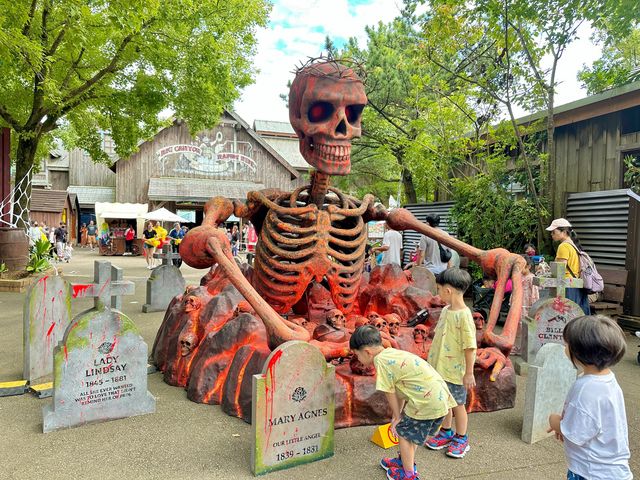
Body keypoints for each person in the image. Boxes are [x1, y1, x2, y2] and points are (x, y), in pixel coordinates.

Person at [350, 325, 456, 480]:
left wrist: (397, 416)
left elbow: (390, 392)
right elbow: (399, 390)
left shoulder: (380, 361)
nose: (357, 359)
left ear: (366, 352)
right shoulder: (391, 353)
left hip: (425, 403)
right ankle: (405, 462)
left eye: (356, 355)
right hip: (439, 399)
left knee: (404, 435)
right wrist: (396, 416)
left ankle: (408, 475)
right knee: (411, 433)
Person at [547, 315, 631, 480]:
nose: (566, 346)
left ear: (580, 352)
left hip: (591, 472)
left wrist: (555, 421)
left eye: (568, 344)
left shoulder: (585, 388)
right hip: (612, 470)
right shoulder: (608, 380)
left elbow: (576, 433)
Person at [425, 267, 476, 459]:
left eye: (438, 289)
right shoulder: (446, 310)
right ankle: (446, 432)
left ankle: (461, 437)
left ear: (448, 290)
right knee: (444, 402)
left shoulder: (464, 315)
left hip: (455, 371)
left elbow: (469, 347)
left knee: (457, 404)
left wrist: (469, 372)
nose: (438, 293)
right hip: (440, 369)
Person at [546, 218, 590, 315]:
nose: (551, 234)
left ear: (564, 231)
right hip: (574, 285)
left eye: (553, 231)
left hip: (566, 286)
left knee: (566, 317)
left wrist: (547, 272)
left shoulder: (564, 246)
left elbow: (560, 269)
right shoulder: (572, 244)